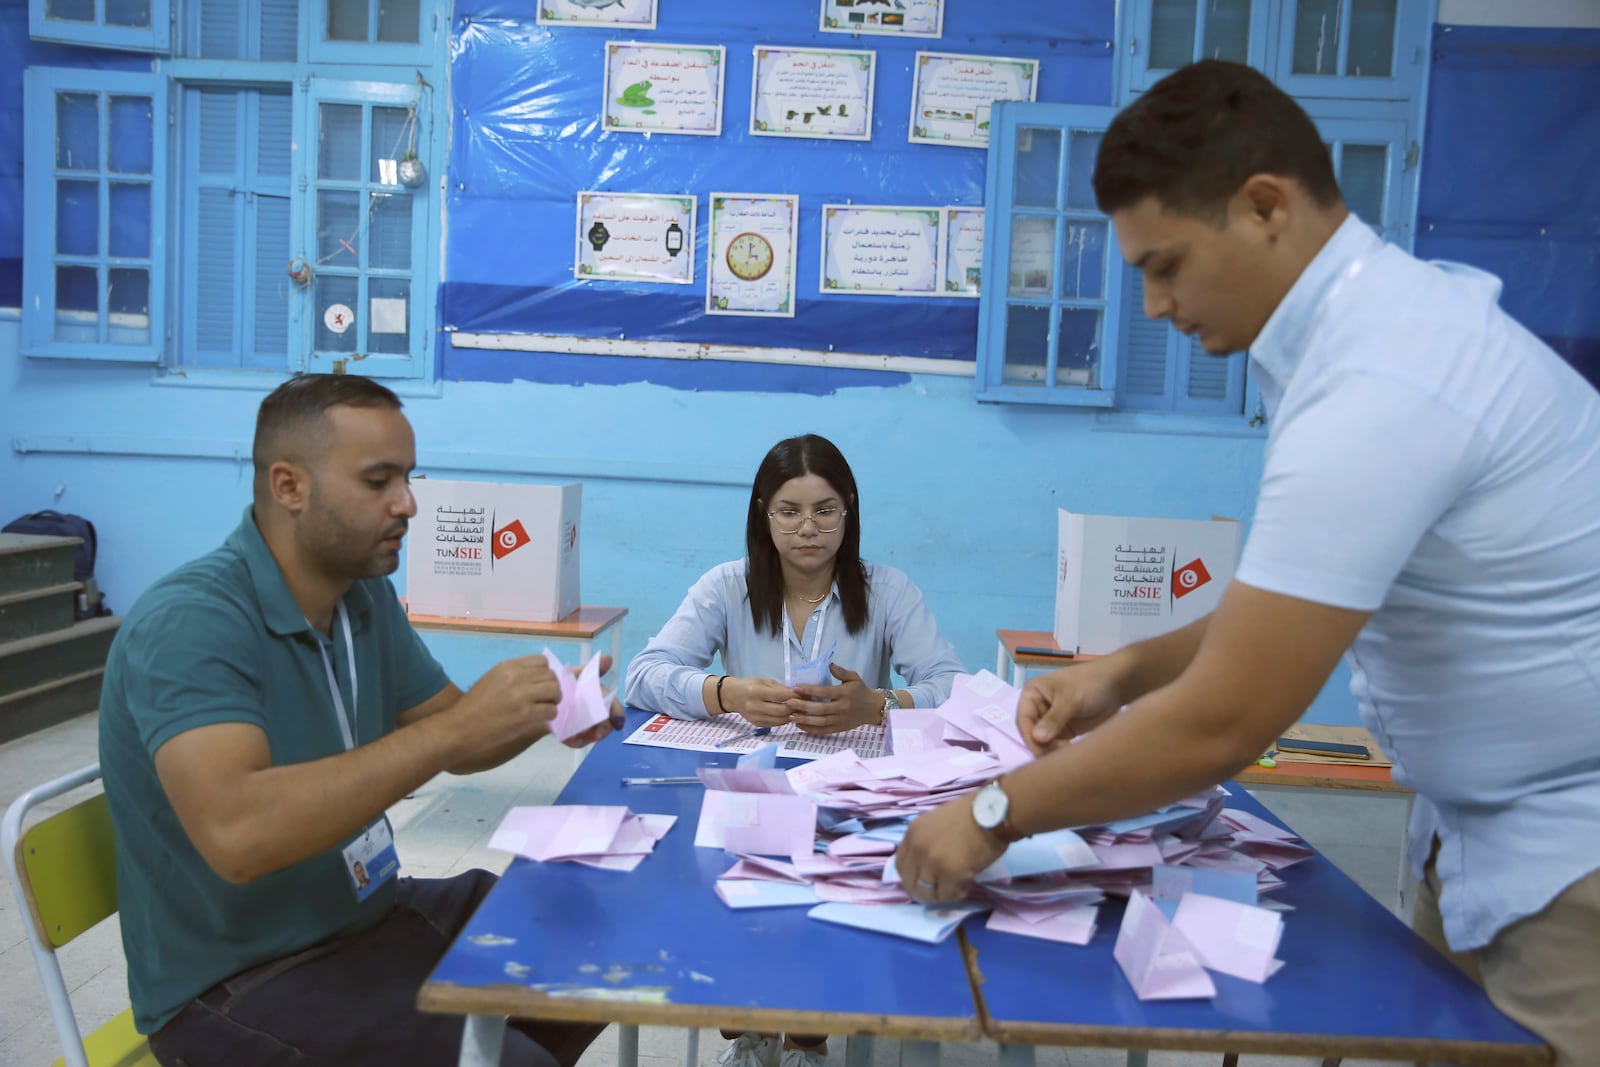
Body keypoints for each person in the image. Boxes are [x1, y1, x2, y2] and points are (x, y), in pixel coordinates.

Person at [895, 59, 1600, 1066]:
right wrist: (1124, 670)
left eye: (1165, 262)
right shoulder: (1360, 333)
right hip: (1482, 839)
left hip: (1574, 866)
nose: (1151, 303)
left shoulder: (1382, 381)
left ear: (1263, 206)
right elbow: (1289, 600)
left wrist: (992, 811)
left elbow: (1226, 720)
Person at [98, 374, 614, 1067]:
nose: (408, 503)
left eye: (408, 476)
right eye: (379, 481)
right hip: (239, 980)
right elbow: (238, 834)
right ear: (289, 487)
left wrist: (543, 709)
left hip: (361, 917)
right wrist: (456, 730)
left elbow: (453, 730)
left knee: (587, 942)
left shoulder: (358, 595)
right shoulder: (192, 623)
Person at [626, 432, 965, 1067]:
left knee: (831, 885)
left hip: (851, 792)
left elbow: (954, 689)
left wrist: (879, 704)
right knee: (725, 878)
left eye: (825, 510)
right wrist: (723, 691)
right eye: (789, 511)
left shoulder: (888, 591)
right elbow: (643, 674)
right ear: (763, 513)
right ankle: (751, 1027)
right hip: (748, 791)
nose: (807, 528)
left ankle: (808, 1034)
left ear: (850, 511)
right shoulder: (726, 587)